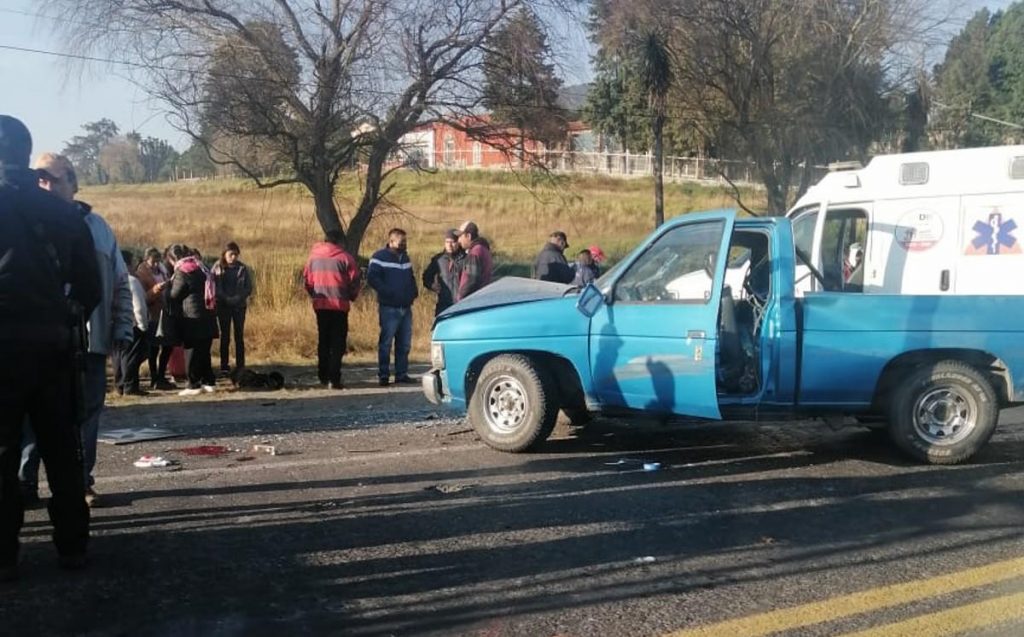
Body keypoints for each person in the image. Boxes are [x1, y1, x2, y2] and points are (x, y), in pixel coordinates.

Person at [0, 115, 101, 577]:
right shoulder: (63, 213)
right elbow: (90, 287)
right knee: (62, 447)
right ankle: (72, 546)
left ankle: (5, 552)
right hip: (54, 347)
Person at [23, 153, 133, 509]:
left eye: (54, 179)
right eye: (40, 179)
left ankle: (81, 483)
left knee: (86, 416)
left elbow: (120, 282)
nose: (47, 186)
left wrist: (123, 328)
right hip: (35, 343)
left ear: (72, 182)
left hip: (91, 342)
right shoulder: (21, 223)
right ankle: (24, 485)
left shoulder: (96, 227)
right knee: (30, 418)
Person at [303, 230, 361, 389]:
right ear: (339, 242)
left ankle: (323, 375)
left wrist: (314, 295)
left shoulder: (313, 257)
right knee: (338, 342)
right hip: (339, 305)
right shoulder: (345, 258)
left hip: (321, 305)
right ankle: (334, 378)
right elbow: (355, 281)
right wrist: (351, 296)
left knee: (324, 340)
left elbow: (307, 281)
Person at [368, 228, 419, 386]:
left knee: (404, 343)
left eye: (405, 241)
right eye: (401, 242)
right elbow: (372, 278)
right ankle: (383, 375)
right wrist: (388, 293)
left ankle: (401, 373)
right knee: (386, 343)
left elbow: (411, 278)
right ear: (391, 242)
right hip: (389, 307)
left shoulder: (405, 258)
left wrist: (413, 293)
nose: (404, 244)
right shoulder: (379, 257)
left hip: (406, 306)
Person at [169, 246, 218, 396]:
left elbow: (174, 295)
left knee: (191, 351)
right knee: (204, 351)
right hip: (208, 315)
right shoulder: (202, 268)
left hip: (192, 317)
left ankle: (193, 384)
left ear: (173, 259)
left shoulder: (183, 271)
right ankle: (208, 382)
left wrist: (166, 289)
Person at [136, 247, 175, 390]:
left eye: (158, 261)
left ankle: (161, 374)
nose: (156, 264)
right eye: (153, 261)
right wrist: (156, 289)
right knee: (154, 347)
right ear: (146, 260)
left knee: (168, 345)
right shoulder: (141, 274)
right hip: (152, 313)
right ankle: (154, 377)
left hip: (165, 312)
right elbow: (143, 297)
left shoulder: (162, 270)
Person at [112, 250, 150, 396]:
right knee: (130, 357)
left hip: (114, 322)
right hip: (132, 324)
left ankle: (120, 385)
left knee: (118, 356)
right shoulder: (131, 281)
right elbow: (138, 305)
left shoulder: (112, 279)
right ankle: (130, 387)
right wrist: (143, 325)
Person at [213, 241, 252, 374]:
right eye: (231, 254)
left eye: (236, 254)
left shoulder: (242, 268)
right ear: (224, 254)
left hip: (239, 307)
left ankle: (240, 364)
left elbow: (248, 287)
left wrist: (237, 298)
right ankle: (224, 365)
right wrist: (226, 298)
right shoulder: (218, 267)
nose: (233, 257)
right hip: (223, 306)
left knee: (239, 336)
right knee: (225, 336)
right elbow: (214, 286)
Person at [421, 229, 463, 315]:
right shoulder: (439, 260)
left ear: (458, 242)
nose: (450, 245)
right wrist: (432, 285)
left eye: (453, 242)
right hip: (444, 305)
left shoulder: (466, 259)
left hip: (461, 305)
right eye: (447, 242)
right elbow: (426, 277)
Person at [456, 220, 493, 301]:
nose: (459, 240)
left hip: (472, 302)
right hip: (482, 299)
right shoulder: (483, 249)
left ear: (468, 236)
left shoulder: (475, 252)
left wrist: (460, 298)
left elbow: (471, 280)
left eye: (461, 236)